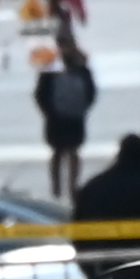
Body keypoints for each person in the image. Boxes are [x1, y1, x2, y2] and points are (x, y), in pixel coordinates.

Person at [31, 28, 98, 199]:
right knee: (61, 152)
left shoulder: (63, 66)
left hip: (65, 115)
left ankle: (67, 187)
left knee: (68, 152)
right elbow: (90, 90)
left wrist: (48, 110)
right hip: (64, 115)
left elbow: (40, 93)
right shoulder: (71, 66)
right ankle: (61, 188)